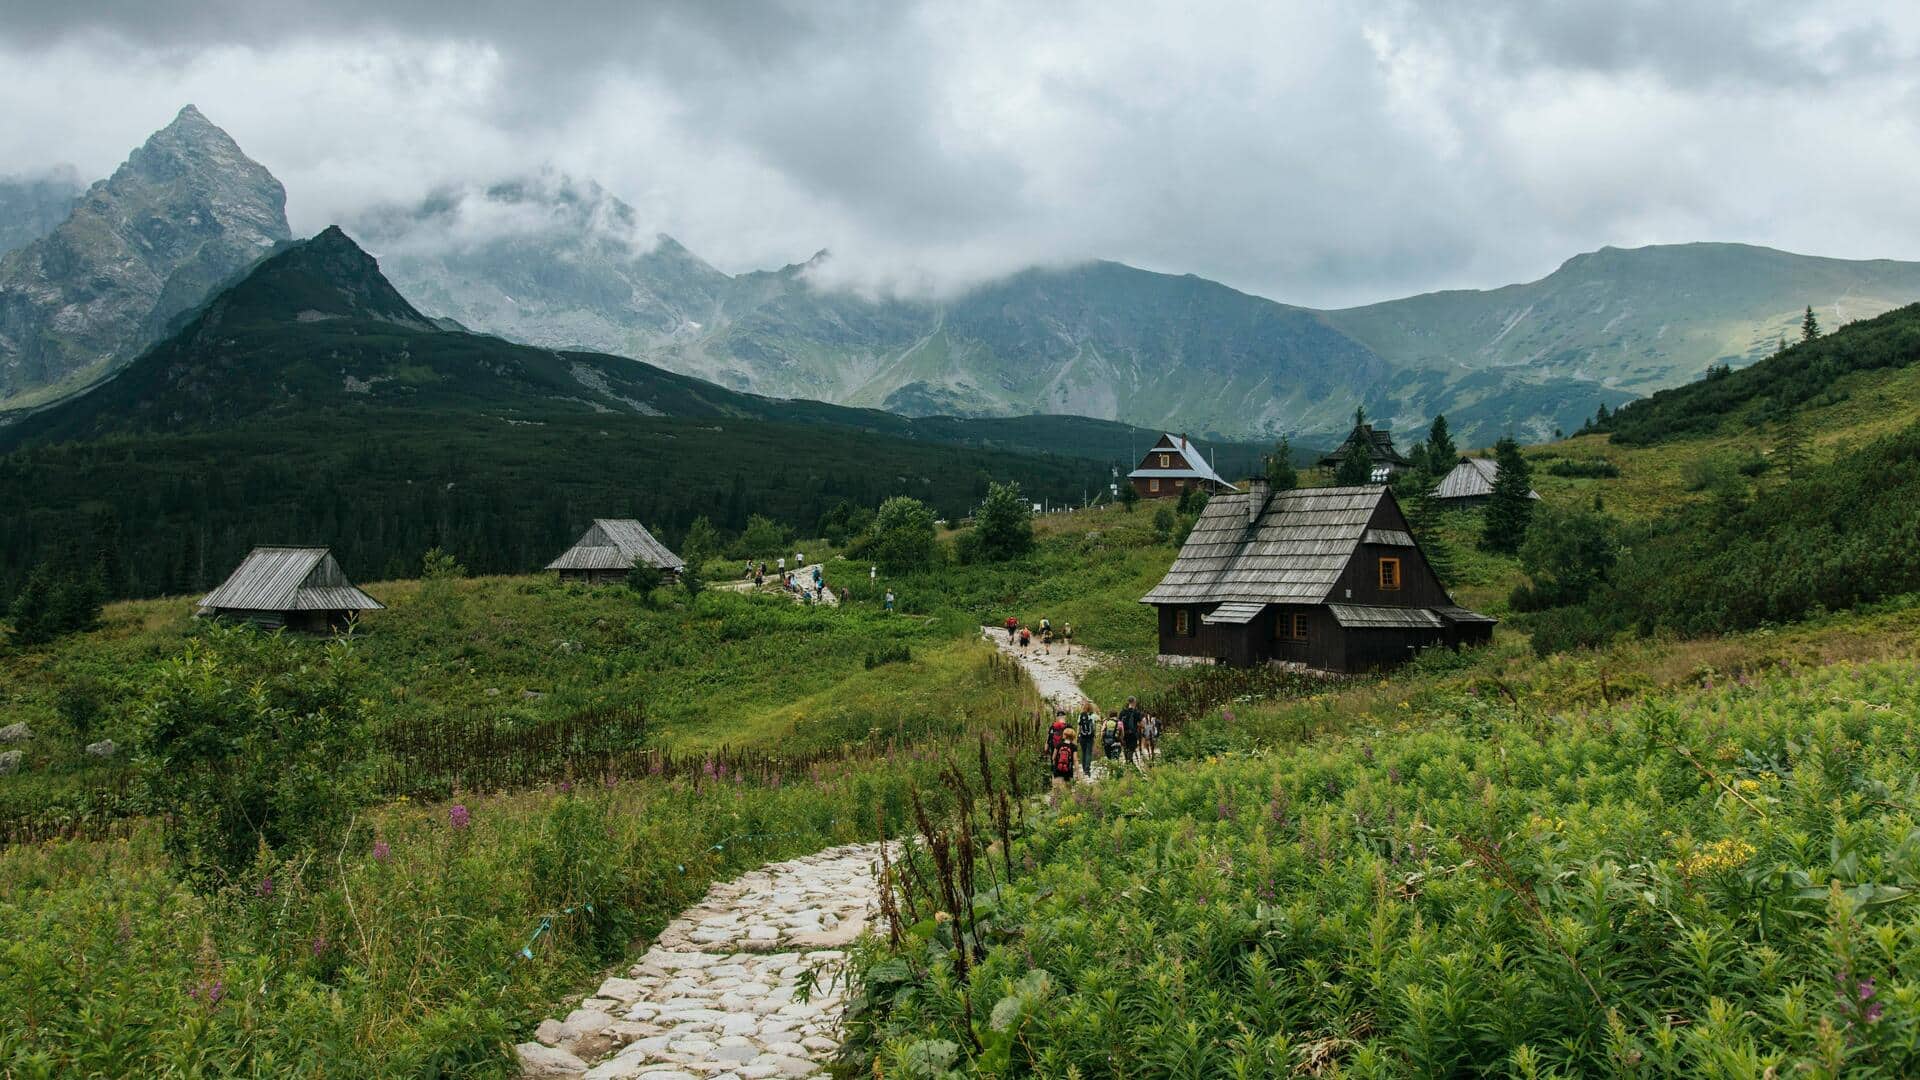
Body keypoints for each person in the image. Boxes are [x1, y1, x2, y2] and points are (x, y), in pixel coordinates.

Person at [1118, 696, 1144, 767]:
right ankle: (1130, 765)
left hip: (1124, 735)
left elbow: (1119, 724)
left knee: (1126, 750)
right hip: (1133, 734)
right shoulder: (1137, 712)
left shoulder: (1122, 712)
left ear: (1128, 702)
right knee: (1131, 749)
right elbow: (1142, 725)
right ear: (1134, 702)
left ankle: (1129, 765)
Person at [1076, 702, 1098, 777]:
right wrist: (1095, 735)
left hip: (1082, 737)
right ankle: (1087, 769)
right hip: (1090, 737)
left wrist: (1077, 737)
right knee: (1089, 752)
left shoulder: (1081, 715)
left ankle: (1084, 768)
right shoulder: (1093, 716)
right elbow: (1094, 727)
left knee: (1084, 752)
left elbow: (1078, 727)